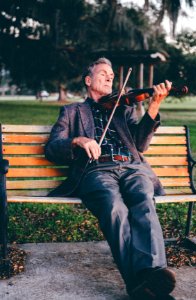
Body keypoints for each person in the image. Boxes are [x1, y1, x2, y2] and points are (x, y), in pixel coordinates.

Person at [45, 57, 176, 300]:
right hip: (96, 171)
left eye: (112, 75)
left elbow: (140, 145)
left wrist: (154, 105)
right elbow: (52, 148)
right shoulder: (72, 111)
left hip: (133, 167)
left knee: (144, 203)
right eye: (103, 73)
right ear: (88, 80)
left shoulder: (123, 108)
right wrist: (78, 140)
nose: (110, 77)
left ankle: (151, 276)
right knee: (115, 209)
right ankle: (143, 284)